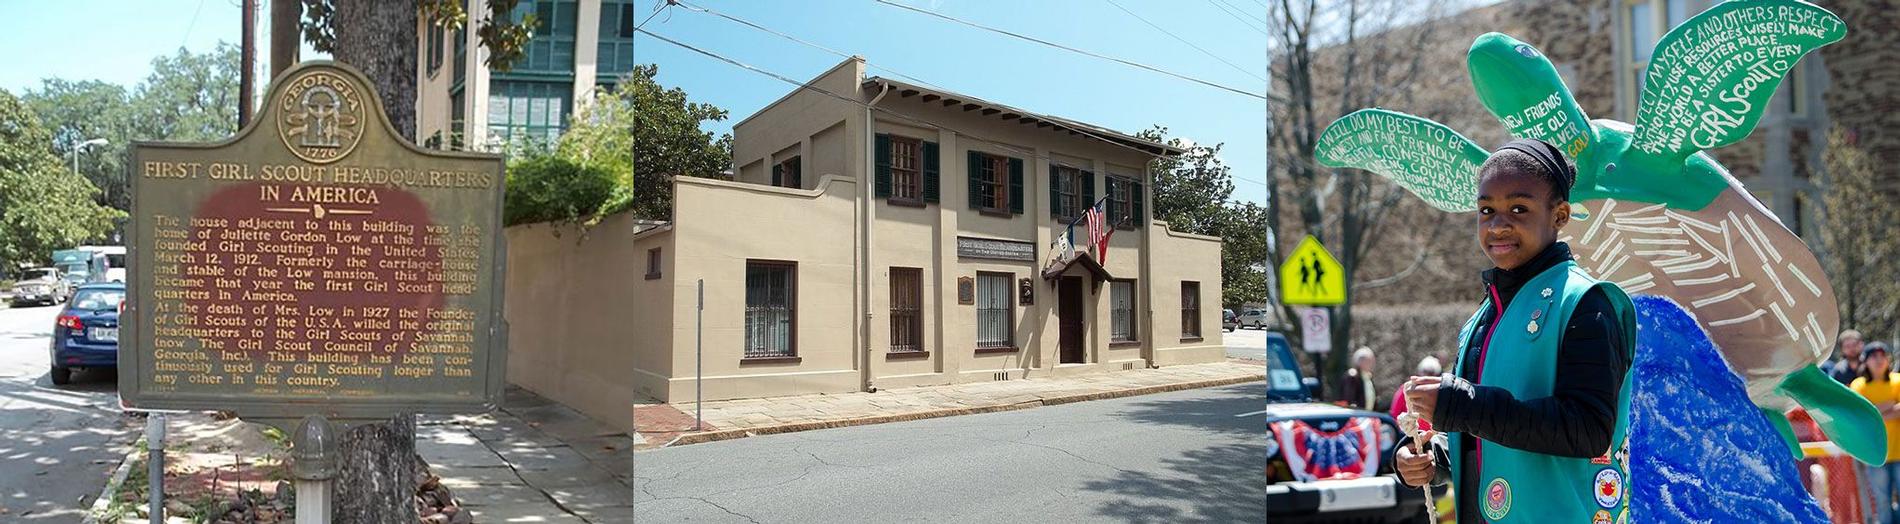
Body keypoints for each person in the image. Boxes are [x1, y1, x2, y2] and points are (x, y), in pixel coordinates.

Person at [1392, 138, 1636, 522]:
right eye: (1486, 209)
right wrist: (1432, 455)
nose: (1498, 224)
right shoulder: (1483, 317)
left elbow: (1588, 430)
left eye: (1518, 208)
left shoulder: (1586, 302)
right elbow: (1486, 434)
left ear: (1559, 216)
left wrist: (1464, 406)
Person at [1850, 341, 1900, 523]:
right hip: (1875, 455)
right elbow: (1859, 414)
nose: (1879, 360)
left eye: (1882, 356)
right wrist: (1891, 405)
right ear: (1866, 361)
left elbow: (1869, 413)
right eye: (1874, 357)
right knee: (1882, 501)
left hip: (1899, 452)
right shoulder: (1858, 385)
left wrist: (1874, 411)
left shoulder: (1898, 380)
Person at [1390, 356, 1444, 431]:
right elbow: (1395, 413)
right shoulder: (1407, 388)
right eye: (1425, 371)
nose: (1427, 376)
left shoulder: (1441, 392)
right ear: (1420, 372)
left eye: (1431, 373)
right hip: (1409, 433)